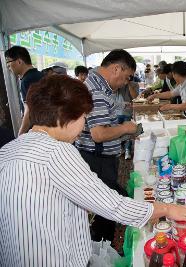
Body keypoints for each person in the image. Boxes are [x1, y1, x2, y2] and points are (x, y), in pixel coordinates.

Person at [0, 75, 186, 267]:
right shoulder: (57, 151)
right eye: (84, 118)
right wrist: (167, 208)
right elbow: (114, 206)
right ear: (66, 117)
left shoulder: (8, 149)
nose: (83, 127)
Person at [74, 49, 140, 242]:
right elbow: (99, 134)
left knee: (105, 204)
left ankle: (102, 245)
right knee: (108, 207)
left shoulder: (97, 85)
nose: (126, 82)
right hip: (97, 159)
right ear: (116, 68)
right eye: (127, 77)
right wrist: (125, 128)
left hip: (98, 157)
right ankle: (103, 247)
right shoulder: (97, 91)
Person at [5, 46, 44, 135]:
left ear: (19, 61)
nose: (8, 66)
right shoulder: (39, 75)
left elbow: (29, 110)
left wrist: (21, 134)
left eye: (8, 62)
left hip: (38, 129)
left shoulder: (27, 80)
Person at [113, 79, 139, 160]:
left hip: (128, 112)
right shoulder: (116, 82)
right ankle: (119, 149)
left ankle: (127, 150)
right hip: (116, 112)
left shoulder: (135, 84)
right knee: (116, 132)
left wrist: (128, 84)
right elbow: (113, 92)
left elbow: (135, 97)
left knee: (128, 133)